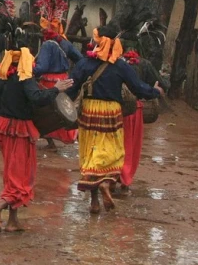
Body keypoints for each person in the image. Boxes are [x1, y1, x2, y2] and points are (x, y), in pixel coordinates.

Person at [66, 26, 164, 214]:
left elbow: (71, 88)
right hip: (111, 114)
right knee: (113, 153)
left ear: (96, 41)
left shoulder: (85, 64)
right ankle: (106, 182)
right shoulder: (120, 66)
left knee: (90, 154)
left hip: (88, 112)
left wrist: (58, 101)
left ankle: (94, 202)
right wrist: (155, 91)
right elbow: (138, 89)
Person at [0, 34, 73, 232]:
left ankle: (13, 221)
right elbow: (37, 98)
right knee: (23, 176)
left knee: (11, 174)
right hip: (20, 131)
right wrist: (56, 89)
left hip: (3, 129)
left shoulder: (1, 78)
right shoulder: (25, 78)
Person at [119, 49, 166, 191]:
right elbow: (157, 85)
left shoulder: (111, 63)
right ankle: (124, 177)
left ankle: (109, 174)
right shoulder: (144, 64)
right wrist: (156, 89)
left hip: (112, 109)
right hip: (133, 110)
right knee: (130, 145)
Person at [33, 18, 82, 149]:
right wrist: (73, 77)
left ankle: (50, 141)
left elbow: (42, 67)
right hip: (64, 80)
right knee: (63, 108)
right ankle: (69, 136)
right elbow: (80, 60)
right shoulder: (65, 42)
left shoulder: (47, 45)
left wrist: (30, 70)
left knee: (45, 111)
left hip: (49, 82)